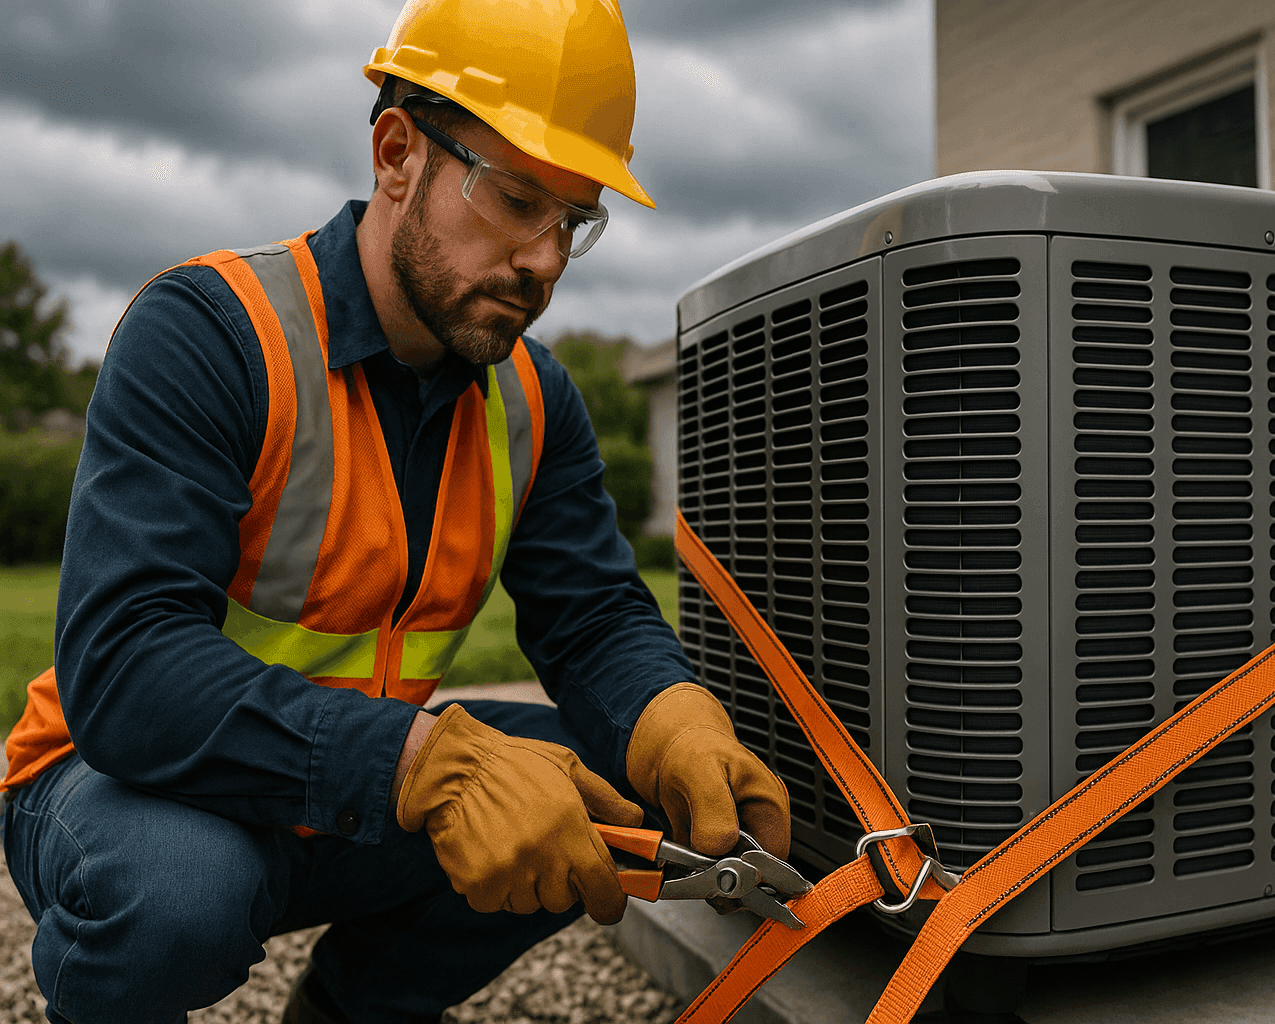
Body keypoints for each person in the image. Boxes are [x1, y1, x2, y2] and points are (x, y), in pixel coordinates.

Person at [0, 2, 790, 1021]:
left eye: (574, 220)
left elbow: (593, 616)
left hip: (338, 790)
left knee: (605, 800)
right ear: (396, 153)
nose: (545, 259)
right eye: (516, 199)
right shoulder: (209, 336)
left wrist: (670, 720)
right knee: (178, 893)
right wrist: (419, 762)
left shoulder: (534, 402)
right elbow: (126, 666)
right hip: (125, 781)